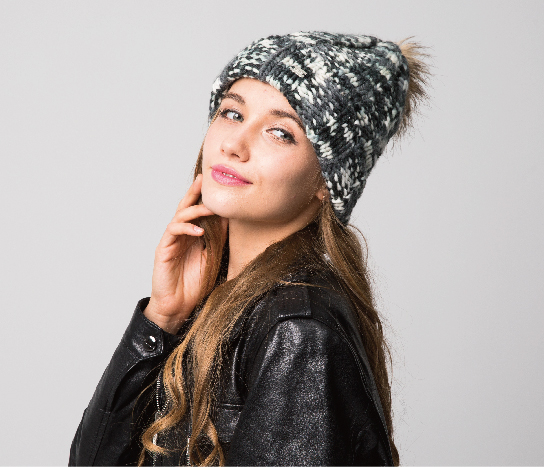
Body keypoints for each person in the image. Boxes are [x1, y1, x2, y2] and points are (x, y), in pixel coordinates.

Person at [69, 31, 430, 466]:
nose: (234, 145)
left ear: (327, 182)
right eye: (232, 113)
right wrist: (161, 319)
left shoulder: (298, 330)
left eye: (280, 132)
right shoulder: (222, 303)